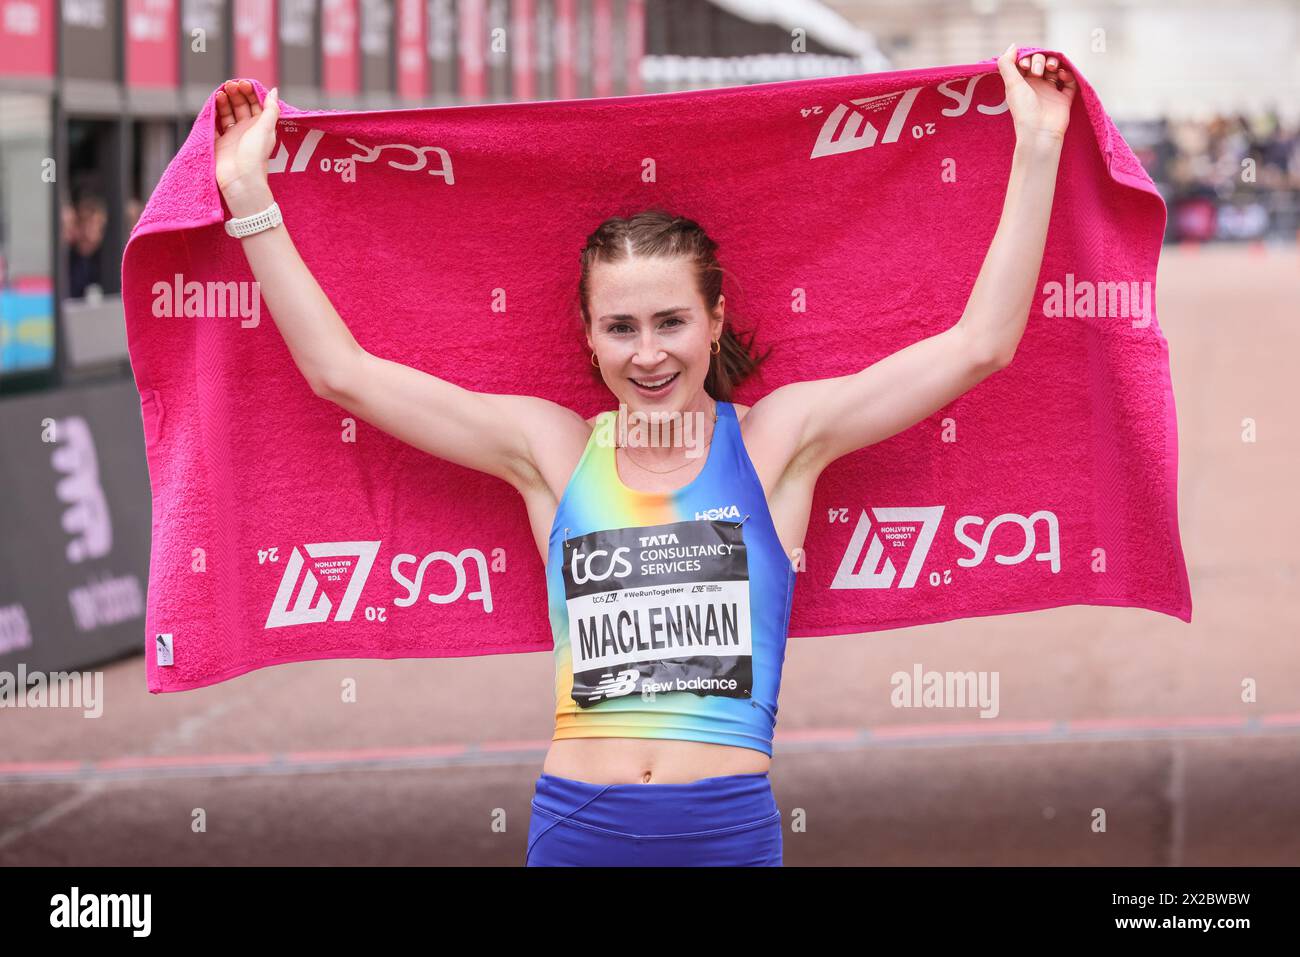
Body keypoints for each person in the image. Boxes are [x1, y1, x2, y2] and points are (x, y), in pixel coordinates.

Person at [211, 44, 1077, 867]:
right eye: (620, 327)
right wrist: (249, 192)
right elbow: (344, 376)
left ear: (715, 319)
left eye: (671, 322)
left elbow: (979, 346)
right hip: (578, 828)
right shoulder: (549, 449)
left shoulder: (779, 439)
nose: (648, 353)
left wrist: (1037, 148)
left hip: (726, 832)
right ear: (588, 338)